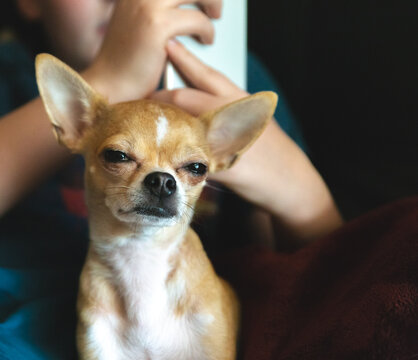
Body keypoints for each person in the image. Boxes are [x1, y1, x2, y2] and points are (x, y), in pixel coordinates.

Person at [0, 0, 342, 358]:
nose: (125, 5)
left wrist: (303, 191)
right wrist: (110, 78)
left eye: (193, 168)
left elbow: (311, 277)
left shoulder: (230, 80)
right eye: (120, 156)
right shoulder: (10, 78)